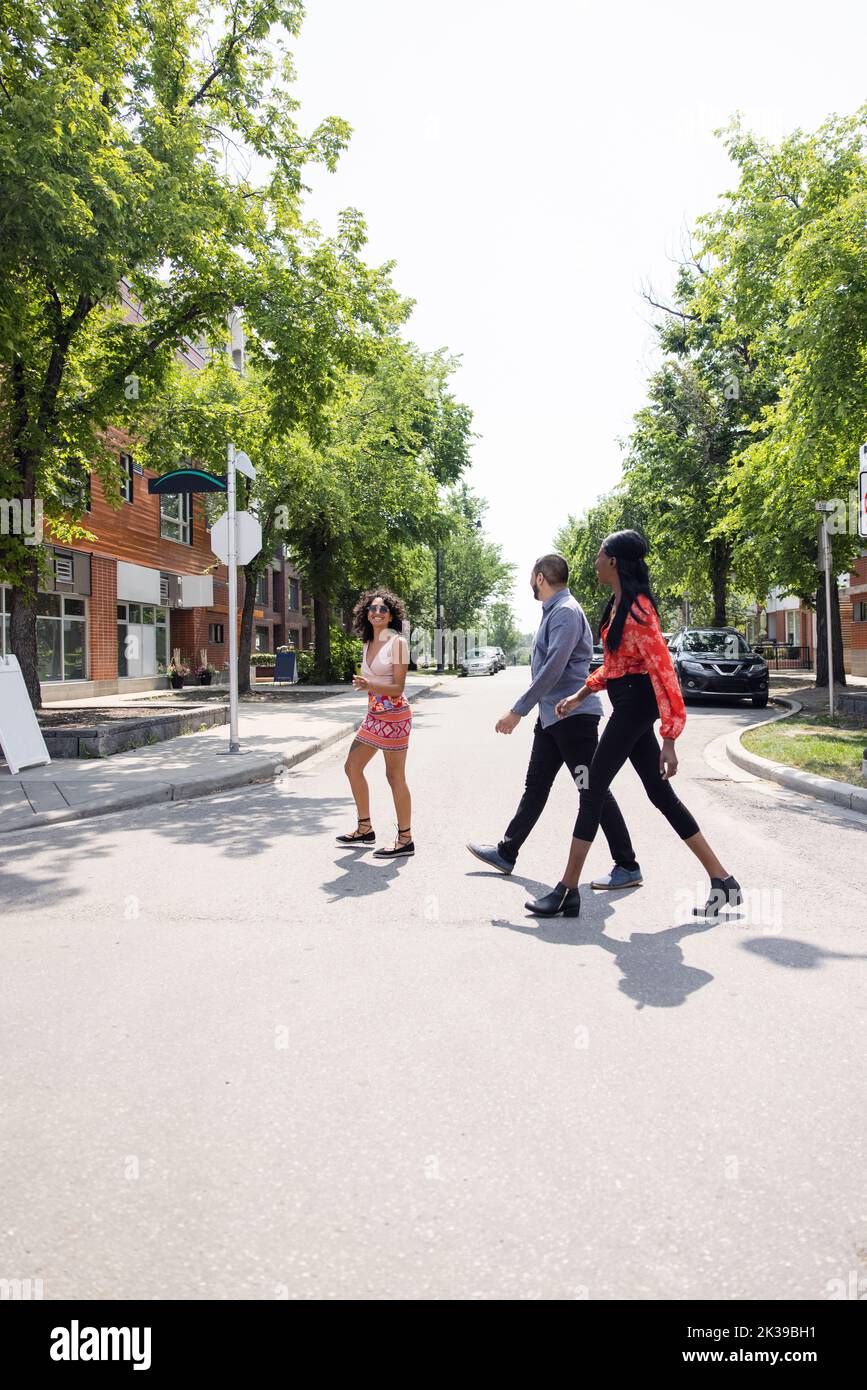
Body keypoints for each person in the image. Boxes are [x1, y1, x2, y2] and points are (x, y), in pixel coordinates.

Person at [526, 531, 741, 919]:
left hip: (636, 707)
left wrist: (670, 737)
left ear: (614, 561)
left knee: (591, 788)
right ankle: (723, 881)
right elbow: (617, 666)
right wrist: (580, 695)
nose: (594, 561)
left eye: (599, 554)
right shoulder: (616, 606)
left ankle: (566, 890)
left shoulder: (640, 610)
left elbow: (664, 673)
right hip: (626, 701)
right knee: (661, 797)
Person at [466, 552, 642, 887]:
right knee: (536, 786)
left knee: (592, 789)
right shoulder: (555, 611)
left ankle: (627, 864)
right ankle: (507, 851)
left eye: (532, 578)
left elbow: (553, 669)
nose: (531, 584)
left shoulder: (564, 612)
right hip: (552, 719)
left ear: (541, 578)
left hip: (573, 719)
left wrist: (518, 709)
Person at [337, 588, 415, 859]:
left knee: (394, 777)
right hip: (373, 716)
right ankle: (365, 828)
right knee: (352, 767)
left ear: (391, 615)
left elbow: (398, 686)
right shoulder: (367, 642)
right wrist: (366, 685)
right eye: (372, 608)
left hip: (395, 717)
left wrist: (369, 683)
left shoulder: (399, 644)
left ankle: (405, 839)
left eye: (383, 609)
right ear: (366, 614)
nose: (377, 612)